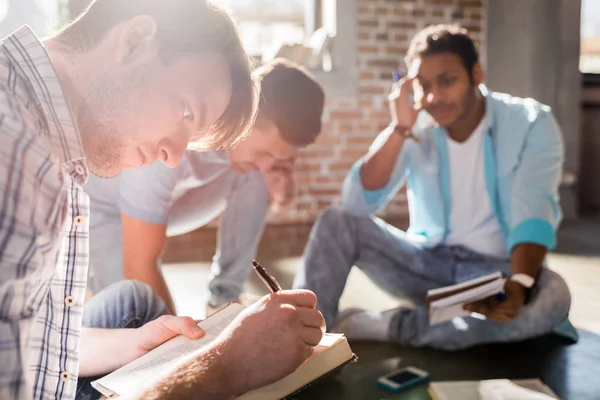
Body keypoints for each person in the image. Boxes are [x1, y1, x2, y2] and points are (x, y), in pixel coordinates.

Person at [0, 1, 324, 400]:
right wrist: (226, 366)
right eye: (186, 109)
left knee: (136, 306)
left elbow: (34, 338)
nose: (174, 156)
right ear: (133, 40)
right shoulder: (15, 152)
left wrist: (135, 343)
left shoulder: (44, 132)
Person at [293, 24, 577, 351]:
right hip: (424, 266)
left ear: (476, 73)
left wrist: (520, 283)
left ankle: (386, 326)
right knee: (334, 222)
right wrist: (400, 127)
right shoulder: (418, 128)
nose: (433, 97)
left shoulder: (531, 123)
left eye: (448, 81)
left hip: (492, 278)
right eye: (423, 86)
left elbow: (534, 210)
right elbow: (355, 205)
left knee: (553, 296)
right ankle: (303, 336)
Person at [84, 58, 325, 315]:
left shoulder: (258, 148)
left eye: (278, 158)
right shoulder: (172, 140)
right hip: (104, 210)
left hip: (171, 200)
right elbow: (140, 265)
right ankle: (91, 279)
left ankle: (224, 300)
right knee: (132, 309)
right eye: (265, 152)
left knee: (253, 173)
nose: (269, 165)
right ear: (247, 116)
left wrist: (283, 186)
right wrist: (184, 346)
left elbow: (280, 198)